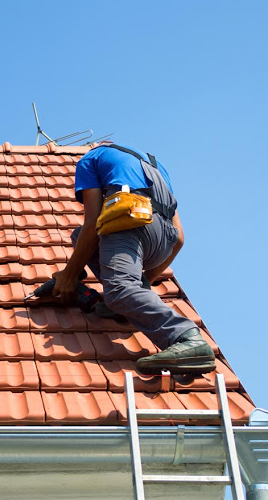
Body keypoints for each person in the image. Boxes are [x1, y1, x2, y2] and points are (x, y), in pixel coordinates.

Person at [52, 141, 215, 375]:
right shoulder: (155, 165)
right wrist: (145, 280)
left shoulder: (90, 160)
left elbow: (92, 224)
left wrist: (68, 276)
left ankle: (186, 338)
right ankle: (129, 302)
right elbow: (179, 239)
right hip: (162, 241)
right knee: (80, 238)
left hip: (131, 223)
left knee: (118, 290)